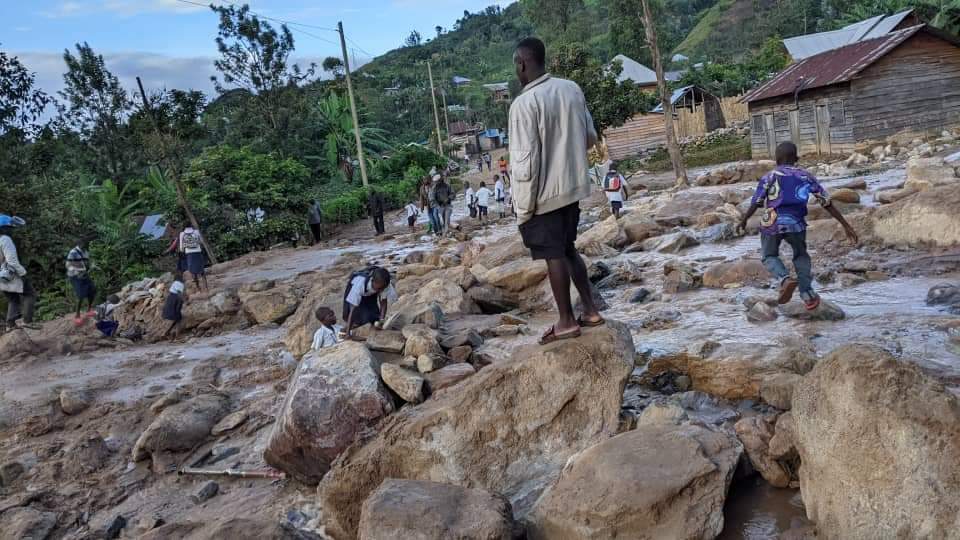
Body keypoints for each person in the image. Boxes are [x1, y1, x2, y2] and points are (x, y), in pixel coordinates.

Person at [510, 37, 604, 345]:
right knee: (568, 249)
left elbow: (525, 164)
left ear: (522, 63)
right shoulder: (571, 88)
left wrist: (522, 210)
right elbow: (590, 137)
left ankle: (565, 322)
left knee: (554, 255)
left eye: (517, 65)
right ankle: (590, 310)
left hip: (544, 195)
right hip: (573, 188)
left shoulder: (523, 104)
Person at [739, 141, 859, 310]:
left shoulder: (770, 176)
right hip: (796, 223)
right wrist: (846, 225)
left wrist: (744, 219)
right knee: (801, 256)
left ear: (776, 159)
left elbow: (756, 202)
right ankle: (808, 295)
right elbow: (826, 202)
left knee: (769, 256)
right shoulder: (806, 176)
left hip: (771, 223)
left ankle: (784, 279)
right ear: (796, 158)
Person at [0, 215, 35, 332]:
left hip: (1, 276)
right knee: (30, 294)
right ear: (4, 228)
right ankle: (27, 321)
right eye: (9, 227)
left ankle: (10, 324)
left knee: (13, 299)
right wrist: (23, 274)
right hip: (10, 275)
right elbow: (12, 261)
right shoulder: (5, 239)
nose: (12, 229)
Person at [342, 266, 398, 339]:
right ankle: (350, 327)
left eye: (383, 288)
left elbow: (383, 303)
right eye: (379, 288)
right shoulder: (359, 285)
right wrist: (347, 334)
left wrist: (381, 321)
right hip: (356, 289)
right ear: (372, 281)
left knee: (373, 318)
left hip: (370, 293)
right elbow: (352, 309)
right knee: (352, 315)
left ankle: (365, 321)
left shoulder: (384, 285)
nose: (381, 291)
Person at [66, 237, 97, 325]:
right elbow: (68, 265)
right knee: (81, 295)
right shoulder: (73, 252)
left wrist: (92, 266)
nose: (87, 245)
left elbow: (87, 263)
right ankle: (77, 315)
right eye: (85, 243)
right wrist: (76, 271)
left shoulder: (86, 252)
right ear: (80, 244)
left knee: (93, 290)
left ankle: (89, 310)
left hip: (84, 274)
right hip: (75, 276)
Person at [179, 225, 208, 291]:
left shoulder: (182, 234)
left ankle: (198, 288)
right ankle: (206, 287)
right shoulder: (196, 231)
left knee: (192, 270)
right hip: (198, 252)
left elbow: (181, 247)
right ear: (191, 226)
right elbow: (201, 242)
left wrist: (183, 251)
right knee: (201, 270)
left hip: (189, 253)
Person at [162, 273, 186, 339]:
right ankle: (176, 335)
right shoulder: (179, 283)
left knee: (177, 318)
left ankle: (168, 332)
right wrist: (184, 300)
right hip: (175, 300)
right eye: (183, 276)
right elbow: (179, 293)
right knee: (177, 317)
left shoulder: (176, 283)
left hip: (172, 299)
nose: (184, 278)